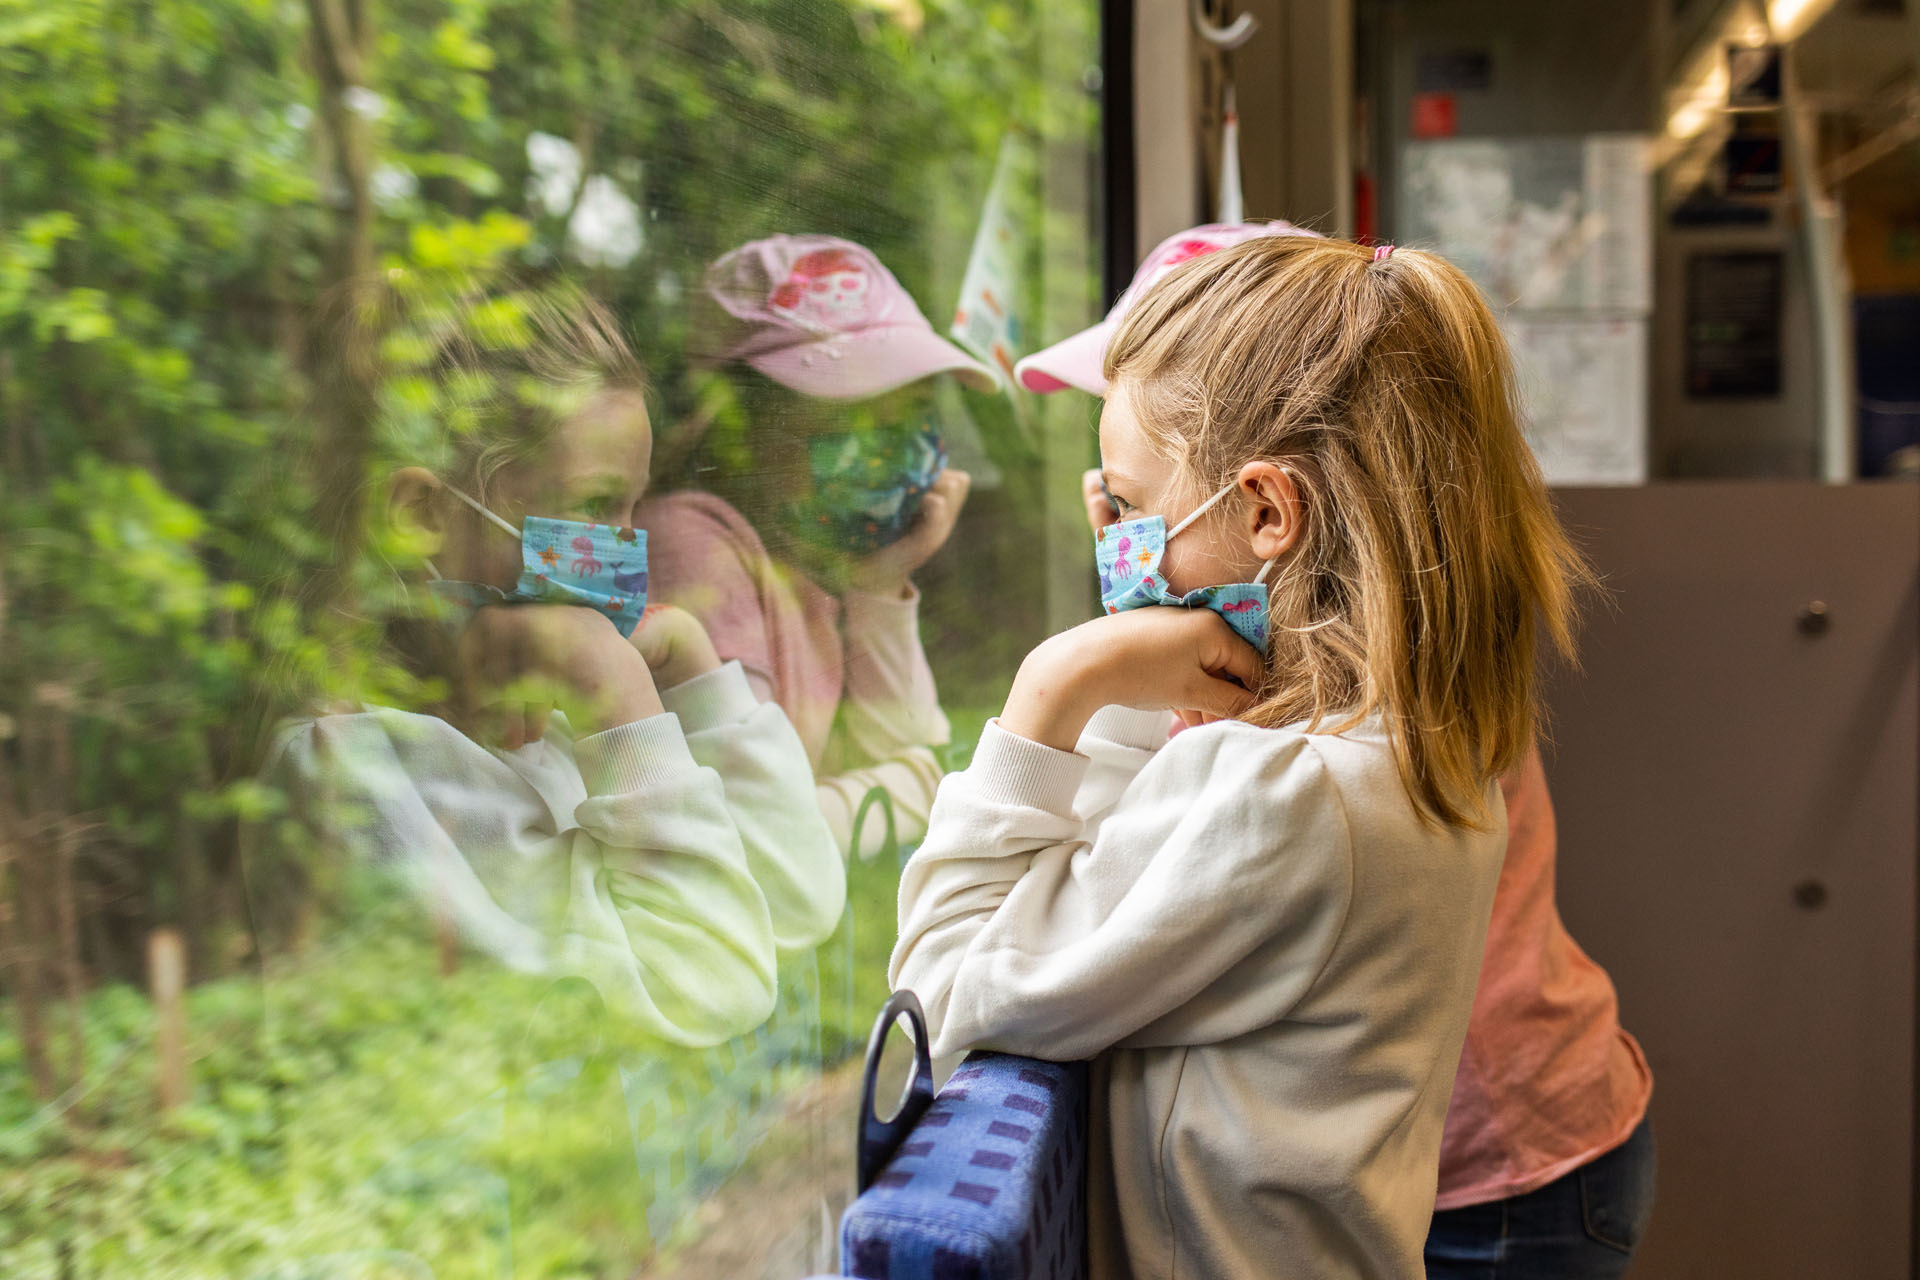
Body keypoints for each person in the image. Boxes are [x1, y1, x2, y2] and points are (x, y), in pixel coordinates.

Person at [890, 234, 1592, 1278]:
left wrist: (1053, 690)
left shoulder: (1281, 796)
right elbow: (1110, 877)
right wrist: (1144, 647)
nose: (1114, 543)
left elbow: (939, 996)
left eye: (1126, 509)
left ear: (1266, 510)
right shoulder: (1408, 745)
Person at [265, 277, 845, 1048]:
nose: (627, 547)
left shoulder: (558, 726)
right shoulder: (354, 771)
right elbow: (713, 989)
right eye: (596, 505)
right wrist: (622, 700)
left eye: (634, 507)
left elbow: (796, 906)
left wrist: (698, 680)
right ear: (421, 517)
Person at [637, 234, 996, 860]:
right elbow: (757, 838)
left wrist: (881, 585)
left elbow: (895, 756)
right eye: (852, 411)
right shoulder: (691, 546)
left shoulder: (806, 567)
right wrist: (921, 786)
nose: (895, 447)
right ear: (746, 423)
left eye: (911, 411)